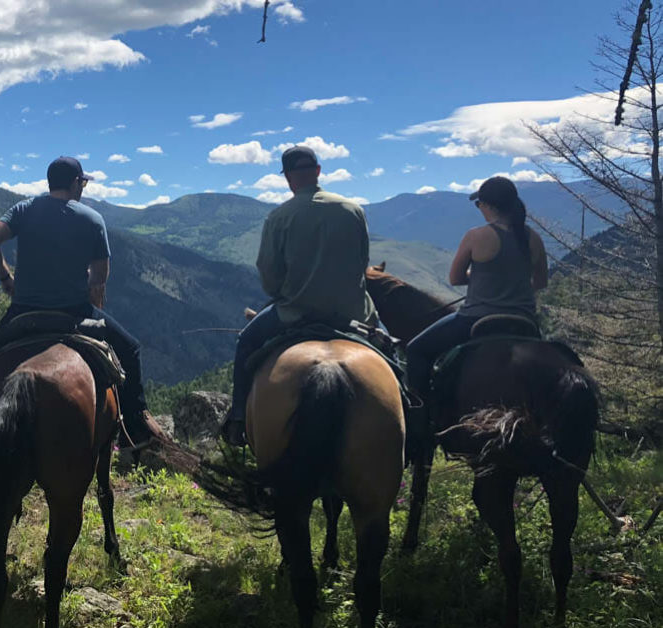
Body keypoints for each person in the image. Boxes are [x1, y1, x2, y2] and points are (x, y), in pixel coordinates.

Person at [0, 155, 172, 448]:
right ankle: (137, 426)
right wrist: (94, 298)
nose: (82, 188)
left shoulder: (23, 210)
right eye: (82, 182)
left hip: (23, 310)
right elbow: (99, 278)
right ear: (75, 184)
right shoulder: (92, 219)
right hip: (74, 311)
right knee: (130, 349)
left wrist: (7, 281)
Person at [221, 146, 378, 447]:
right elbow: (362, 262)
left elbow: (268, 272)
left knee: (246, 342)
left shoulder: (279, 217)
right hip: (353, 312)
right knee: (389, 349)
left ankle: (239, 419)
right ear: (318, 171)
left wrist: (283, 292)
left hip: (295, 311)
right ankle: (412, 417)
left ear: (288, 178)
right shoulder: (353, 210)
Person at [404, 176, 548, 442]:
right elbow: (540, 282)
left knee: (416, 350)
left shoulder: (476, 236)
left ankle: (419, 422)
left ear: (488, 205)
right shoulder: (533, 238)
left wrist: (482, 277)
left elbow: (456, 278)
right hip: (524, 321)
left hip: (475, 319)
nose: (479, 208)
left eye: (479, 203)